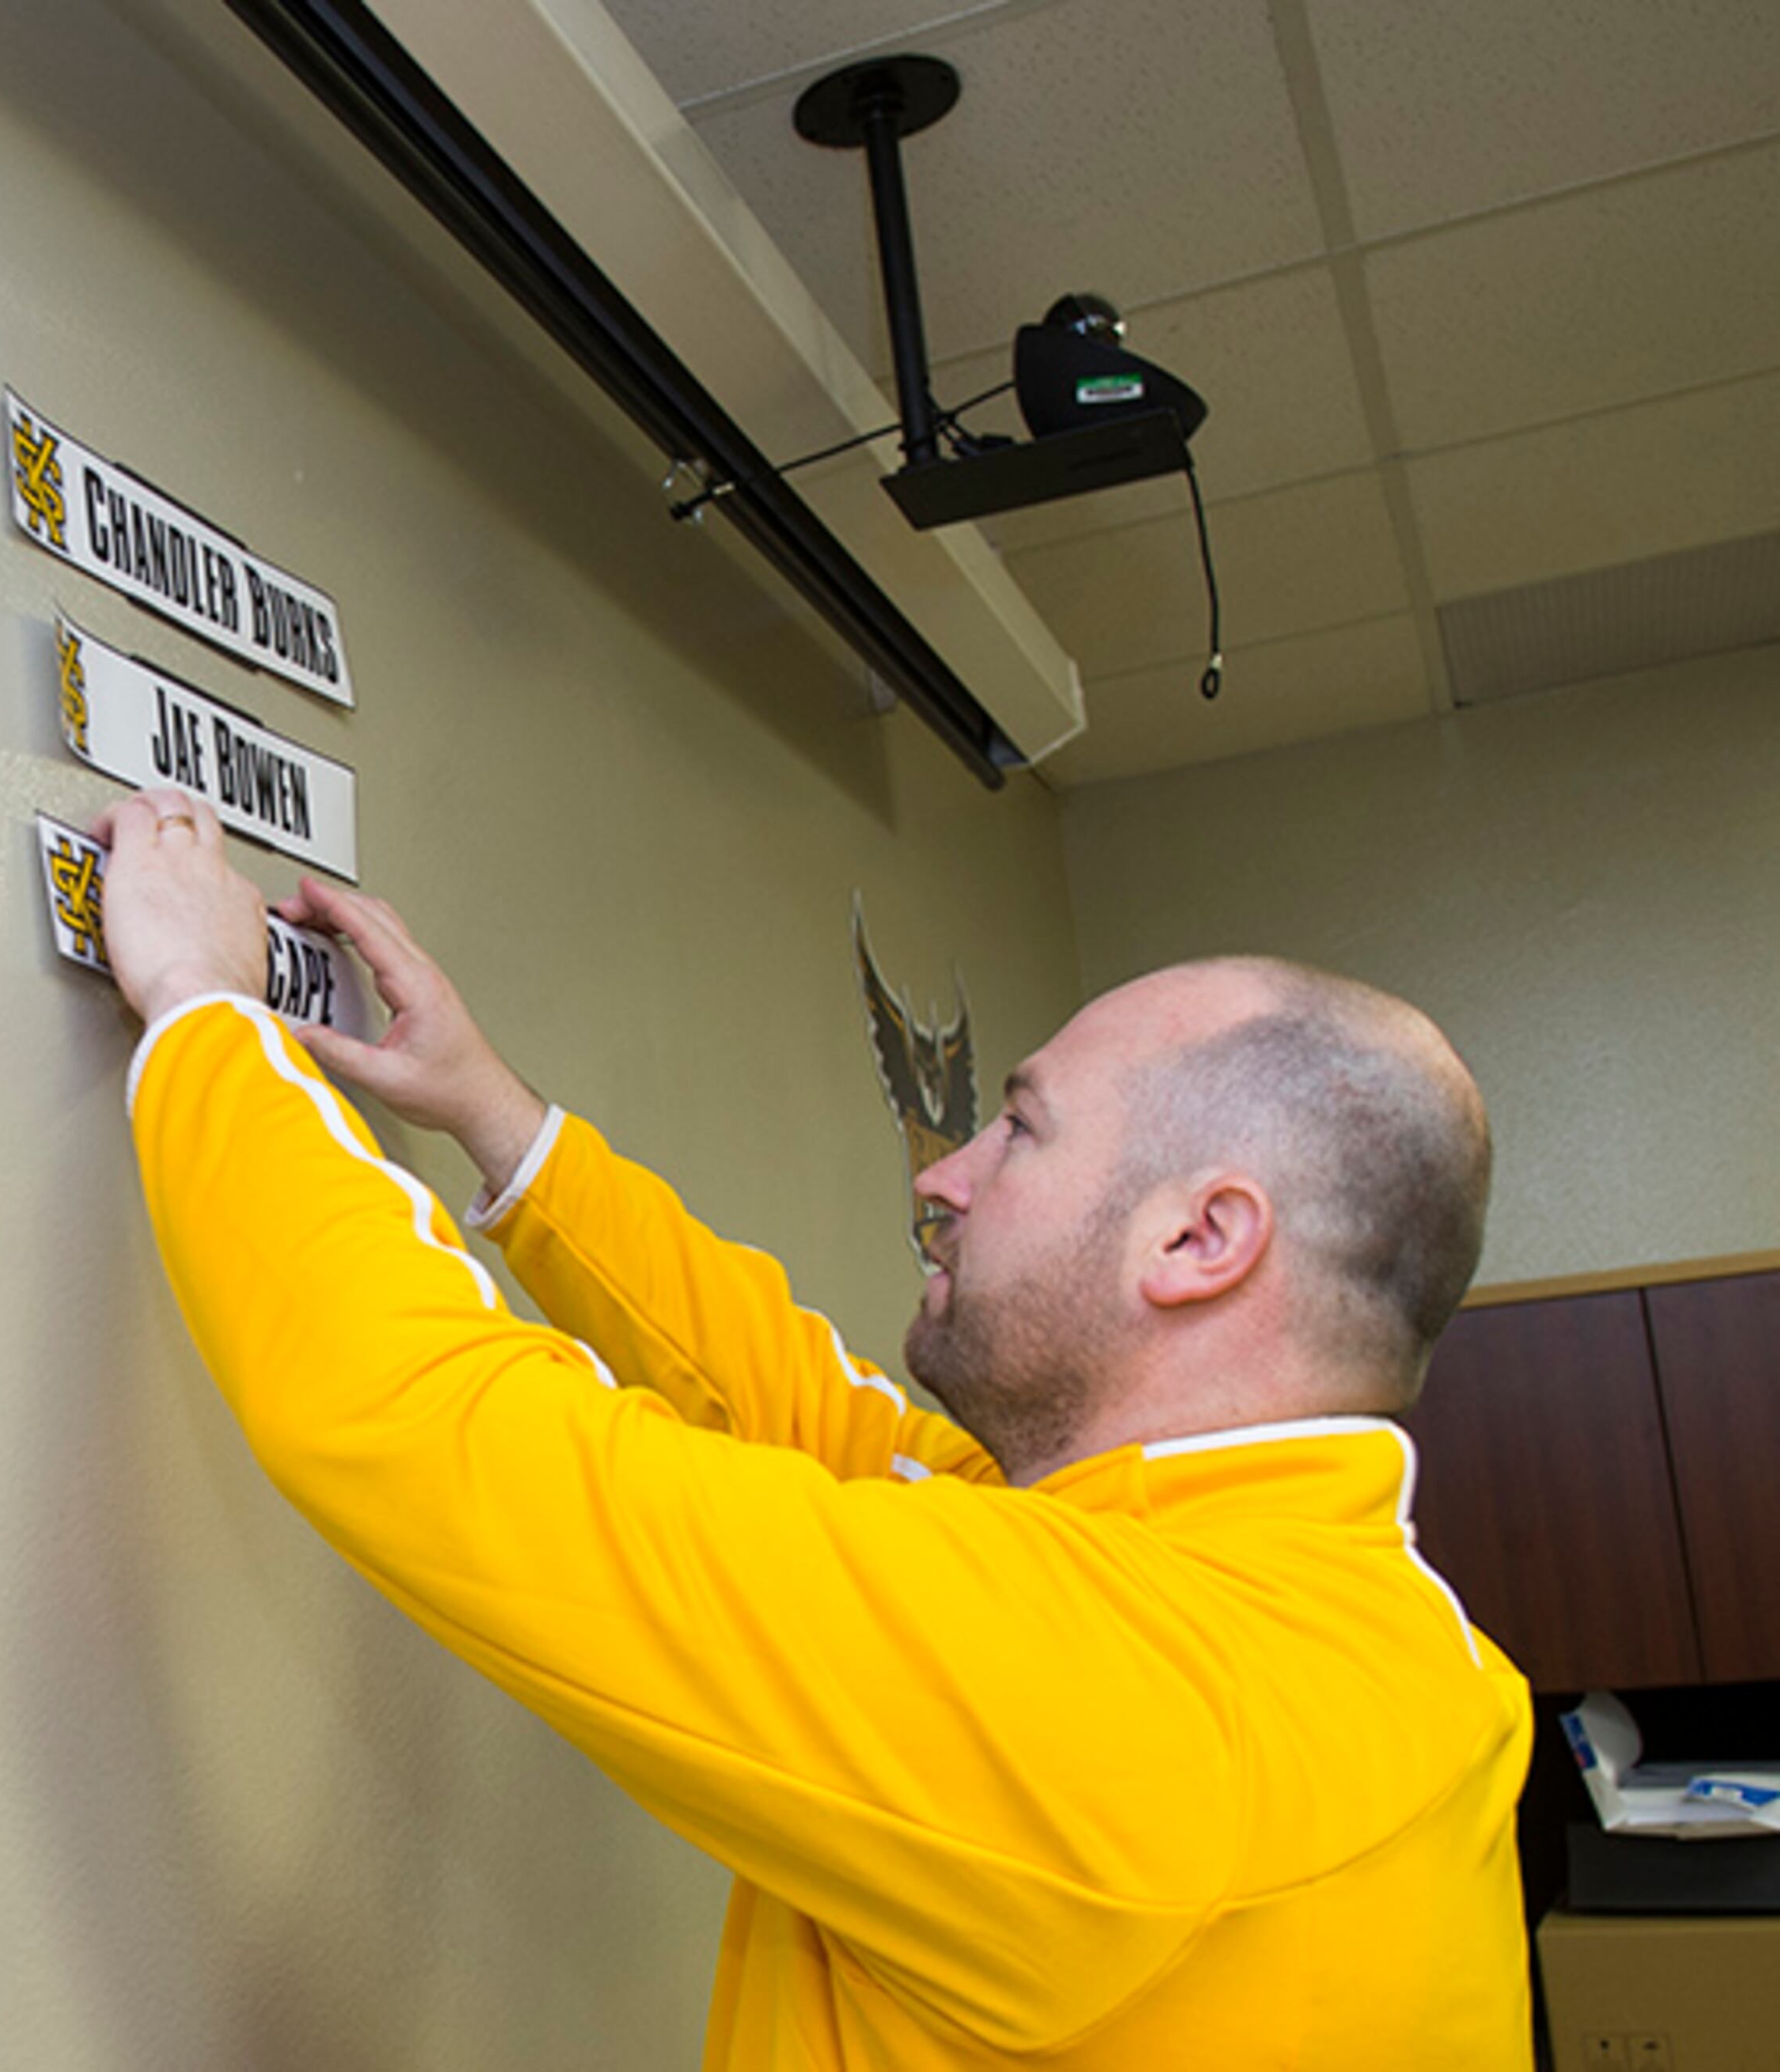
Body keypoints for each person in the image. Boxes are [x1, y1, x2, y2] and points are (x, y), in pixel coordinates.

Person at [88, 785, 1532, 2070]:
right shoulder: (1342, 1628)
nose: (948, 1176)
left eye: (1019, 1129)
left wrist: (205, 1011)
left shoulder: (1124, 1697)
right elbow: (815, 1414)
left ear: (1202, 1238)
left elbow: (425, 1420)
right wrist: (497, 1117)